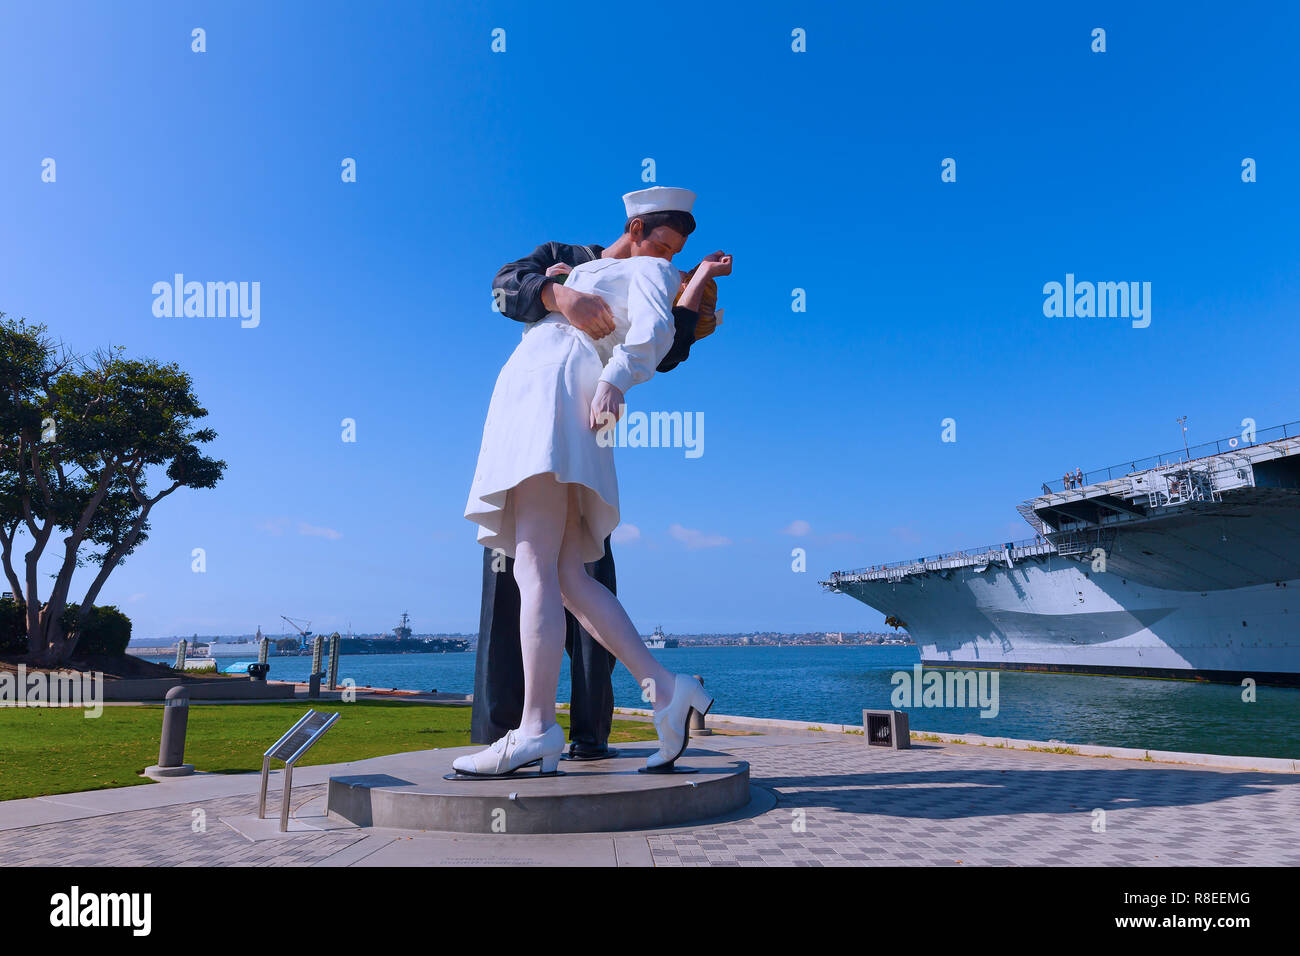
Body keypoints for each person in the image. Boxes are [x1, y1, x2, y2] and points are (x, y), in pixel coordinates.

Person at [460, 186, 731, 776]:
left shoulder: (643, 272)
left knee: (534, 562)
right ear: (634, 228)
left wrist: (615, 377)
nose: (664, 257)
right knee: (562, 574)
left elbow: (662, 334)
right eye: (659, 243)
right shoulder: (584, 261)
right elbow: (507, 285)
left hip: (556, 390)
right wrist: (559, 288)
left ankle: (535, 728)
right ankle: (665, 688)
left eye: (673, 252)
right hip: (550, 389)